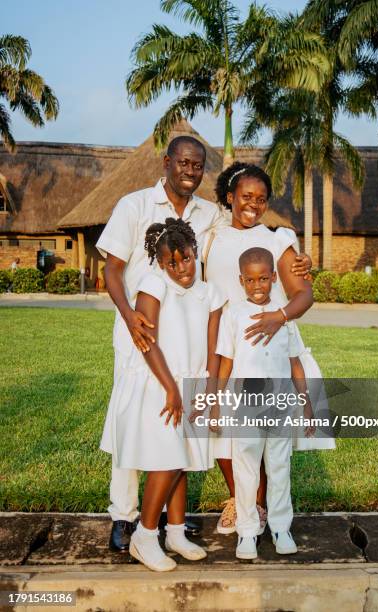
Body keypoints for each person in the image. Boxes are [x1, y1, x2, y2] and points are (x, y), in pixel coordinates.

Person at [96, 137, 311, 551]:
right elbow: (114, 269)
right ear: (167, 162)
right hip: (140, 336)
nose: (191, 170)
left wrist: (301, 257)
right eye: (184, 163)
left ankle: (172, 525)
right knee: (135, 427)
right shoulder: (134, 205)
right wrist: (129, 316)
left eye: (198, 166)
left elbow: (257, 238)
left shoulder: (208, 215)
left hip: (191, 342)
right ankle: (125, 516)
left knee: (180, 431)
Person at [100, 218, 224, 571]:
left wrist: (209, 393)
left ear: (196, 254)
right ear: (160, 262)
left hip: (193, 381)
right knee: (167, 460)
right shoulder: (153, 286)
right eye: (173, 262)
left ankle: (175, 532)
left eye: (187, 259)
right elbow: (147, 342)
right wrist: (171, 388)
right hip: (160, 383)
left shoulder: (209, 293)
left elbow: (213, 348)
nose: (182, 268)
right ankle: (145, 535)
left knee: (182, 462)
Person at [203, 162, 314, 534]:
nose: (254, 204)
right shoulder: (211, 238)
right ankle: (240, 500)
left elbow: (303, 294)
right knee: (223, 436)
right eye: (246, 196)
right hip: (223, 344)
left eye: (262, 199)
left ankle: (261, 507)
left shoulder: (277, 239)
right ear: (230, 197)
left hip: (265, 349)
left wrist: (278, 317)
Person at [214, 247, 316, 559]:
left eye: (263, 279)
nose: (257, 286)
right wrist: (216, 405)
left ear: (273, 277)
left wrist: (307, 405)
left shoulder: (285, 316)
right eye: (250, 280)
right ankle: (247, 531)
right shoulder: (232, 315)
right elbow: (226, 365)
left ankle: (281, 527)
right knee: (246, 468)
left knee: (279, 466)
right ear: (241, 280)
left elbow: (295, 364)